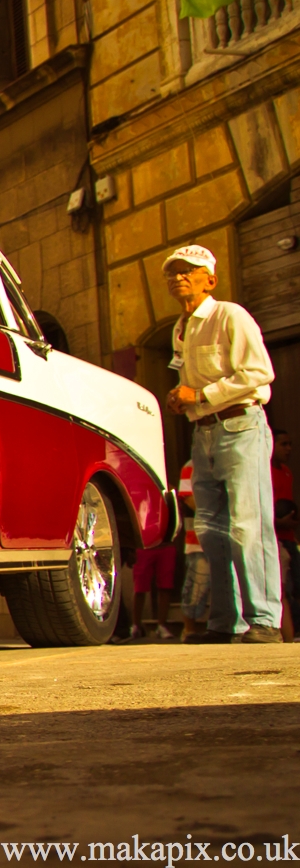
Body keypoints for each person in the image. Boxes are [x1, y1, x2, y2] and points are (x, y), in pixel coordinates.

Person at [162, 244, 280, 643]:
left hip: (240, 427)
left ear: (209, 279)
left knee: (249, 524)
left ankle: (264, 619)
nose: (179, 277)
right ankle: (225, 623)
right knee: (211, 529)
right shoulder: (180, 328)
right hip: (204, 432)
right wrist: (182, 395)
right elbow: (189, 380)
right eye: (173, 272)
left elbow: (260, 372)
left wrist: (203, 394)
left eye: (188, 271)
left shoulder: (230, 315)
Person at [177, 459, 212, 643]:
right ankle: (189, 629)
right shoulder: (191, 465)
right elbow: (187, 497)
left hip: (223, 537)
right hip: (197, 539)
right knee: (196, 584)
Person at [273, 428, 296, 642]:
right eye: (283, 444)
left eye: (290, 444)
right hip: (275, 539)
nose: (288, 449)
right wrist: (280, 522)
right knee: (283, 590)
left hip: (290, 538)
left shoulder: (287, 472)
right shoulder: (266, 472)